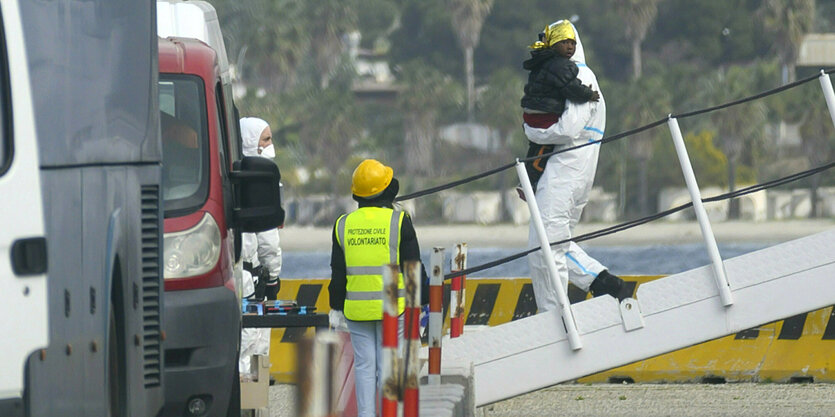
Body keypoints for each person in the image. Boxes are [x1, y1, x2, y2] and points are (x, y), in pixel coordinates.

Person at [522, 20, 629, 313]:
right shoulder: (575, 75)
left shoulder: (580, 75)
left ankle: (554, 318)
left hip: (566, 169)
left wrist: (531, 131)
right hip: (574, 170)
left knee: (544, 249)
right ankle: (604, 282)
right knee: (552, 242)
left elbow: (568, 129)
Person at [328, 159, 428, 417]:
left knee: (363, 365)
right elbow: (412, 266)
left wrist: (336, 308)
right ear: (387, 189)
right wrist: (424, 301)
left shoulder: (343, 224)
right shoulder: (399, 220)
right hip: (392, 303)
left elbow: (338, 273)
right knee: (389, 363)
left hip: (356, 306)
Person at [520, 19, 600, 191]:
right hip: (544, 115)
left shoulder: (542, 63)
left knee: (535, 146)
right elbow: (571, 88)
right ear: (554, 44)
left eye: (572, 43)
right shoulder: (561, 66)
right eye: (564, 43)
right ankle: (532, 180)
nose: (570, 47)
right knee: (546, 146)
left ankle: (525, 180)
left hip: (531, 113)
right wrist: (589, 94)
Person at [238, 117, 282, 381]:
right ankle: (254, 386)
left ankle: (253, 381)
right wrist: (274, 275)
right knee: (253, 332)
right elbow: (268, 240)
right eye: (265, 140)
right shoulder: (260, 180)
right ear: (249, 141)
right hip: (250, 271)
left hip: (241, 268)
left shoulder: (232, 174)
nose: (269, 145)